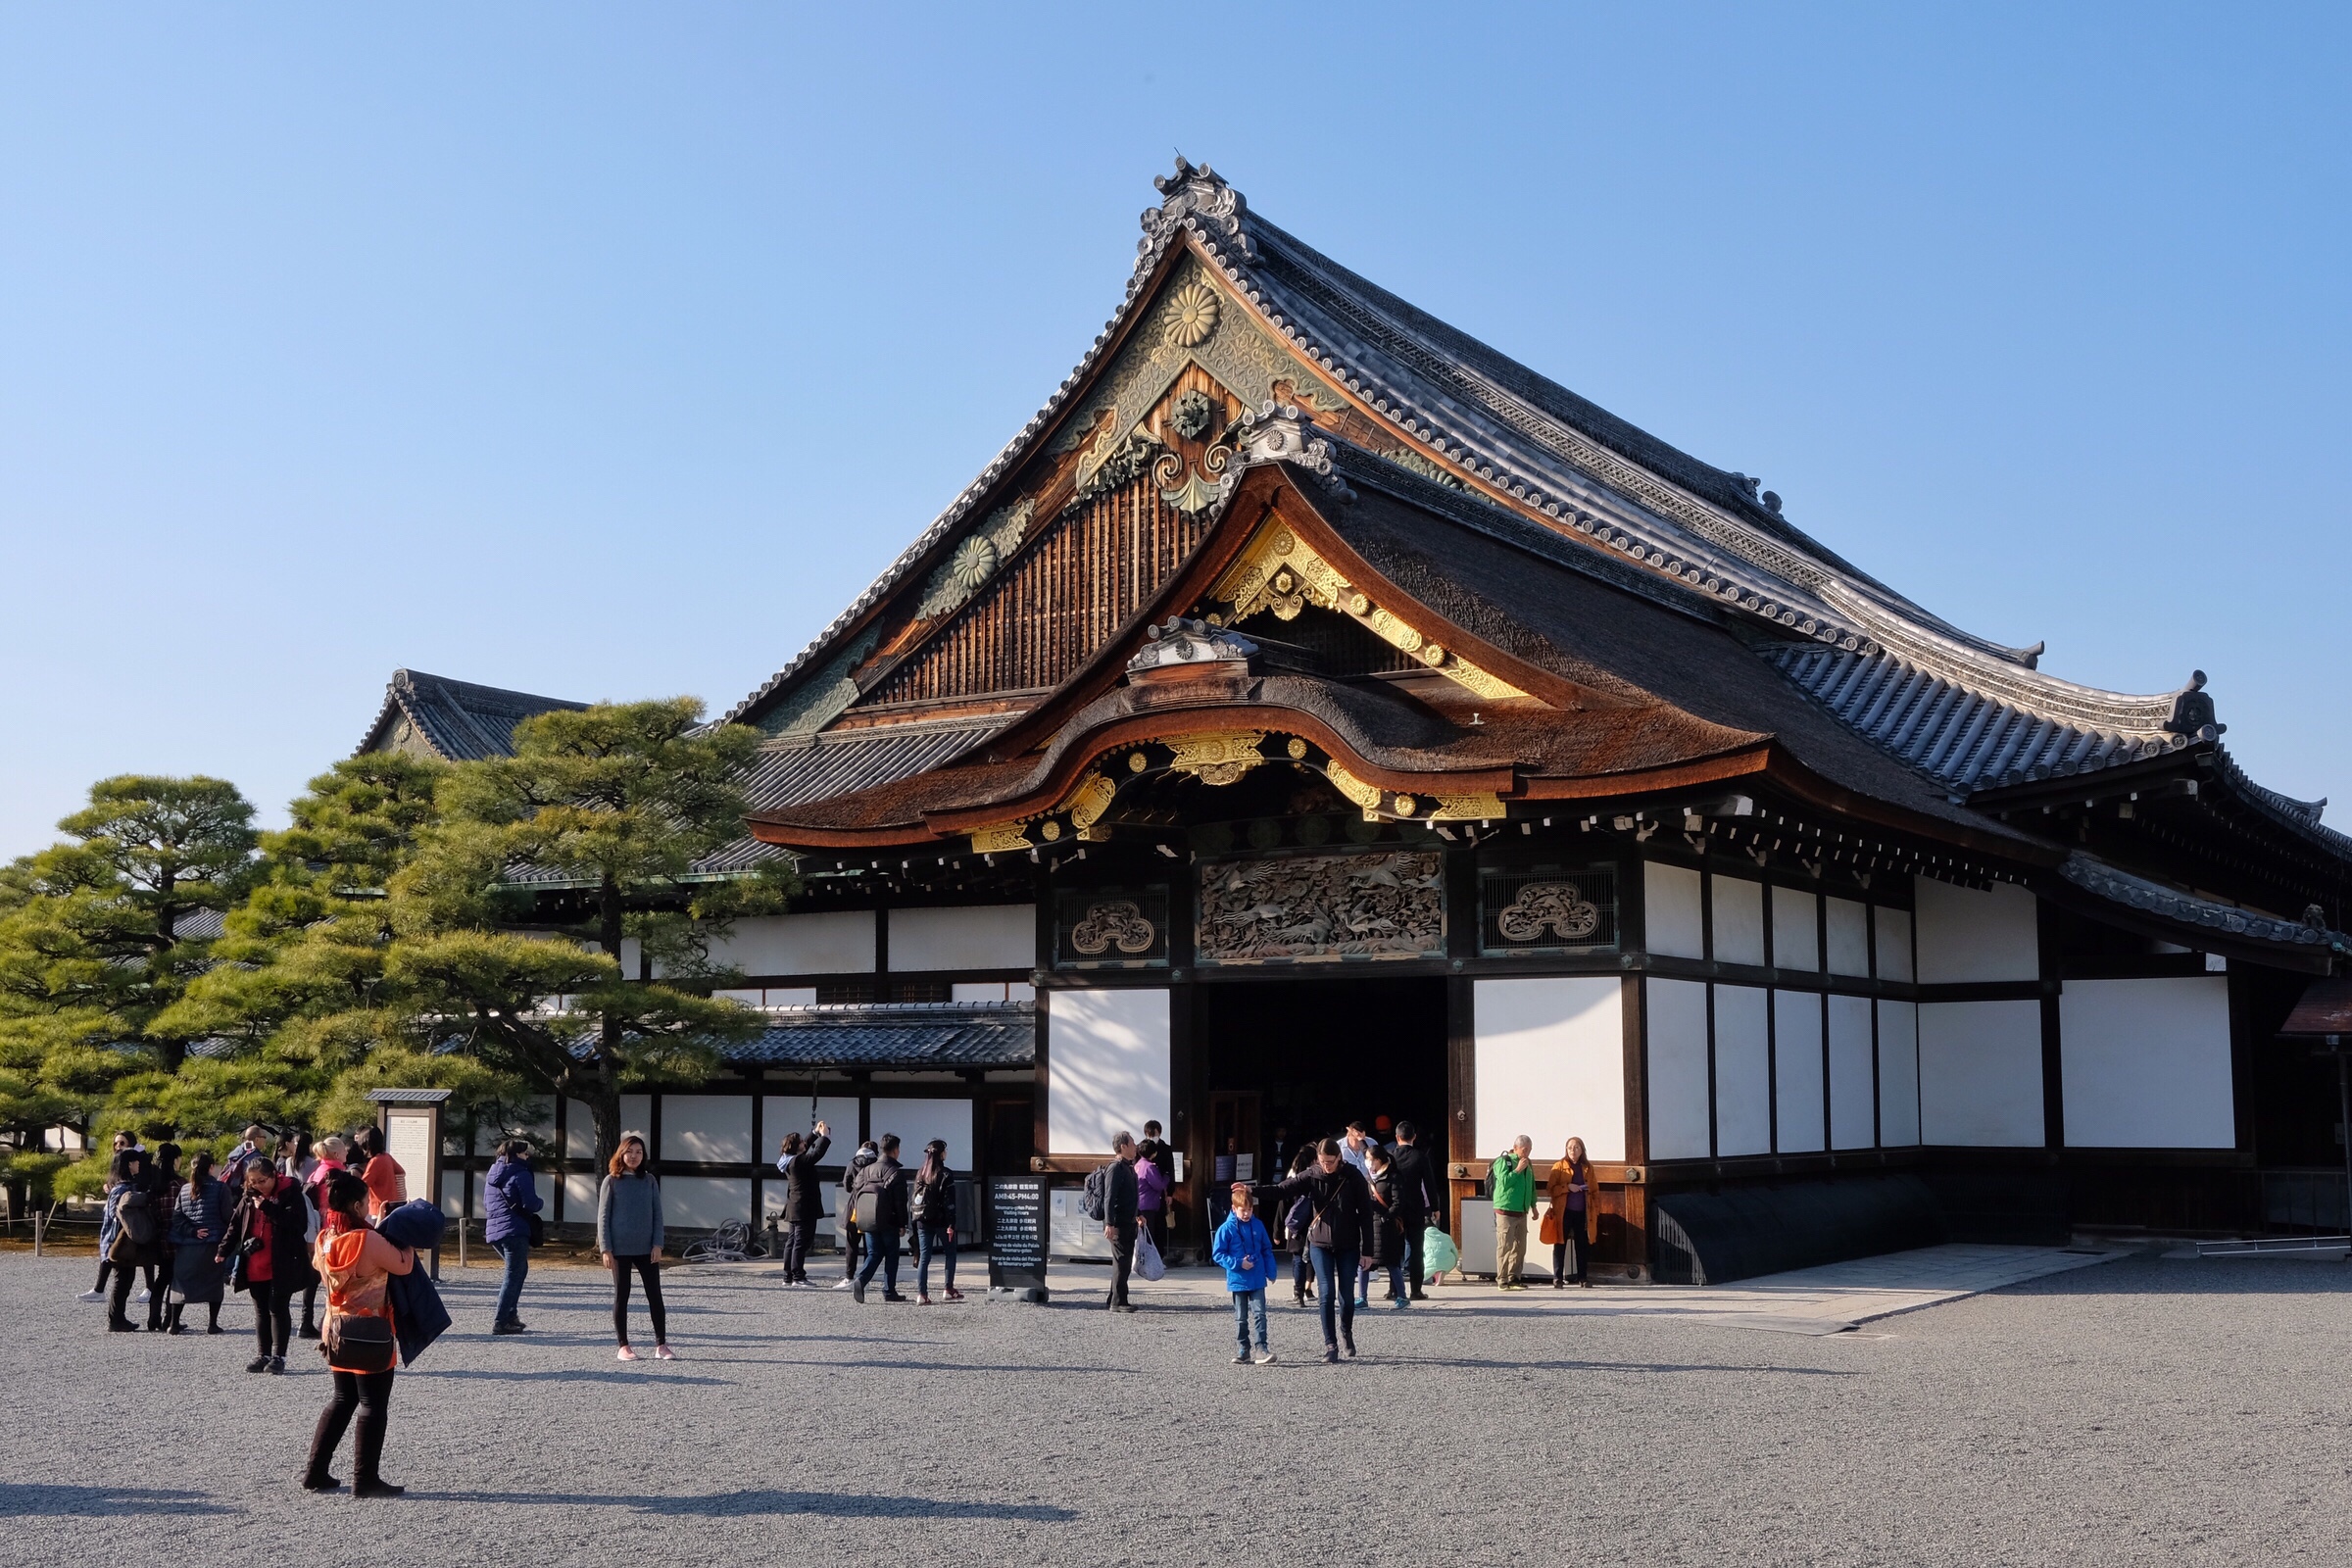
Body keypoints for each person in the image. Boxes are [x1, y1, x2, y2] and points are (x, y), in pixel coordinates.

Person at [304, 1168, 416, 1497]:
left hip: (336, 1329)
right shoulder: (367, 1239)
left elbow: (322, 1269)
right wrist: (400, 1234)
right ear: (356, 1205)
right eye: (366, 1201)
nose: (370, 1206)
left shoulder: (326, 1238)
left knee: (342, 1398)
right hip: (370, 1328)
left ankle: (315, 1470)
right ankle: (365, 1478)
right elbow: (403, 1264)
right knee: (372, 1403)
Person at [1269, 1137, 1378, 1362]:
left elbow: (1366, 1215)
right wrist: (1251, 1192)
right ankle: (1331, 1345)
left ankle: (1346, 1331)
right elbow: (1282, 1190)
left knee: (1346, 1296)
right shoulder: (1312, 1174)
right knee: (1326, 1293)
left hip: (1348, 1244)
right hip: (1320, 1243)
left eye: (1330, 1161)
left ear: (1339, 1157)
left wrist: (1368, 1250)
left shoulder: (1353, 1177)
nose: (1326, 1166)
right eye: (1322, 1161)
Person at [220, 1154, 312, 1372]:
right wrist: (223, 1250)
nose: (258, 1186)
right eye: (253, 1182)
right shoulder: (248, 1197)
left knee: (278, 1308)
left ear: (274, 1176)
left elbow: (298, 1225)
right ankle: (263, 1354)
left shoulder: (291, 1193)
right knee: (261, 1309)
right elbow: (235, 1225)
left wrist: (268, 1208)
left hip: (283, 1260)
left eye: (262, 1181)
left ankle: (279, 1356)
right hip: (255, 1261)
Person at [597, 1132, 673, 1361]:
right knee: (622, 1295)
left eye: (638, 1152)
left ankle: (661, 1344)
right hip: (619, 1249)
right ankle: (624, 1346)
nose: (634, 1156)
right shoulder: (611, 1181)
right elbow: (603, 1216)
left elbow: (657, 1214)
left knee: (655, 1296)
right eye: (629, 1151)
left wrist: (658, 1243)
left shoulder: (649, 1180)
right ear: (621, 1154)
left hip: (646, 1248)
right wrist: (605, 1249)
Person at [1212, 1182, 1279, 1364]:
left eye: (1249, 1210)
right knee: (1241, 1317)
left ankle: (1261, 1348)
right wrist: (1238, 1263)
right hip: (1238, 1279)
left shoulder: (1258, 1225)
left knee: (1260, 1314)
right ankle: (1243, 1348)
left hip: (1257, 1278)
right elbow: (1218, 1254)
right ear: (1234, 1209)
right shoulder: (1226, 1229)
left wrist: (1271, 1271)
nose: (1247, 1214)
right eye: (1243, 1210)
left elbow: (1266, 1249)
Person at [482, 1138, 543, 1334]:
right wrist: (540, 1203)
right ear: (517, 1154)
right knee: (513, 1274)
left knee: (519, 1270)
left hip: (495, 1230)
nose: (528, 1157)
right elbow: (531, 1203)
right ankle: (502, 1320)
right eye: (525, 1153)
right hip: (514, 1230)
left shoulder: (493, 1174)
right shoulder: (521, 1173)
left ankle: (511, 1315)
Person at [166, 1150, 228, 1335]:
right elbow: (226, 1215)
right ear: (211, 1167)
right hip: (212, 1242)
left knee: (181, 1282)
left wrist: (192, 1231)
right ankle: (212, 1324)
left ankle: (174, 1323)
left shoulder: (185, 1189)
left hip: (187, 1245)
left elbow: (177, 1217)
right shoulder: (220, 1188)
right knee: (214, 1282)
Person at [102, 1148, 160, 1333]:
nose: (138, 1165)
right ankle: (116, 1319)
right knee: (122, 1281)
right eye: (135, 1162)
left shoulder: (121, 1186)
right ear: (129, 1164)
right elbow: (114, 1213)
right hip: (119, 1241)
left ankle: (118, 1317)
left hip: (118, 1241)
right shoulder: (123, 1188)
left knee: (124, 1280)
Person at [297, 1136, 350, 1339]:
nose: (346, 1153)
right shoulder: (336, 1173)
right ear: (336, 1154)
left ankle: (305, 1320)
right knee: (335, 1277)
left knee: (314, 1276)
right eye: (344, 1150)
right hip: (332, 1229)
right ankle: (333, 1321)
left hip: (315, 1229)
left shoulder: (317, 1171)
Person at [850, 1134, 910, 1304]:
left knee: (874, 1254)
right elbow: (900, 1201)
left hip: (868, 1219)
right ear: (896, 1150)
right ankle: (889, 1291)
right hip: (889, 1221)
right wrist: (902, 1223)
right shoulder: (896, 1172)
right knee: (892, 1255)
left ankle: (861, 1280)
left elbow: (855, 1190)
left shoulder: (866, 1170)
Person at [80, 1131, 136, 1302]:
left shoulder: (135, 1163)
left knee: (124, 1273)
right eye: (116, 1143)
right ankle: (103, 1294)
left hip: (123, 1229)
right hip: (117, 1230)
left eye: (122, 1143)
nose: (118, 1146)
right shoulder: (121, 1176)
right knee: (122, 1274)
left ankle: (147, 1289)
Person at [773, 1120, 831, 1287]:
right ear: (795, 1146)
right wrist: (825, 1136)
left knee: (792, 1241)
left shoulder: (788, 1160)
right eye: (800, 1142)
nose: (803, 1143)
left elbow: (805, 1145)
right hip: (804, 1207)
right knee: (801, 1242)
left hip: (794, 1206)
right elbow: (817, 1153)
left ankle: (788, 1276)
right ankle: (798, 1276)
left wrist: (814, 1132)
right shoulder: (798, 1162)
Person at [1388, 1119, 1438, 1301]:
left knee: (1394, 1249)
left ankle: (1393, 1290)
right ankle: (1416, 1290)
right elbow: (1430, 1184)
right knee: (1416, 1250)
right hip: (1415, 1208)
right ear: (1414, 1137)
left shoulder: (1390, 1156)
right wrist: (1435, 1207)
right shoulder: (1420, 1157)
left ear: (1397, 1137)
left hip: (1395, 1209)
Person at [908, 1138, 960, 1304]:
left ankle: (922, 1294)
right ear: (941, 1154)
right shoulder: (945, 1174)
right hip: (941, 1221)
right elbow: (949, 1202)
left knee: (925, 1257)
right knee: (950, 1253)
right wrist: (951, 1223)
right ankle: (948, 1289)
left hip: (922, 1220)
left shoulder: (920, 1173)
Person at [1545, 1136, 1593, 1289]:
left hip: (1582, 1211)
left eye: (1576, 1147)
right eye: (1570, 1147)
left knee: (1582, 1245)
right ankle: (1557, 1278)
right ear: (1566, 1150)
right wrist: (1568, 1187)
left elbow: (1595, 1190)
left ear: (1582, 1150)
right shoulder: (1559, 1166)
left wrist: (1595, 1210)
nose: (1573, 1150)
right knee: (1560, 1244)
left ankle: (1582, 1278)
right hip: (1563, 1211)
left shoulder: (1587, 1167)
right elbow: (1551, 1189)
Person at [1365, 1144, 1408, 1309]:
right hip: (1371, 1224)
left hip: (1386, 1225)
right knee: (1364, 1263)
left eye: (1370, 1159)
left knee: (1391, 1262)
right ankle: (1362, 1297)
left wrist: (1387, 1216)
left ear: (1379, 1160)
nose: (1368, 1162)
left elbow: (1398, 1202)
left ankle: (1402, 1295)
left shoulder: (1393, 1176)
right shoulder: (1370, 1177)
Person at [145, 1143, 183, 1330]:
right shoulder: (180, 1185)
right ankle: (170, 1319)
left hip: (158, 1237)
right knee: (175, 1279)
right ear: (175, 1160)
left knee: (161, 1278)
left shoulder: (153, 1185)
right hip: (177, 1238)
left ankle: (153, 1318)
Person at [1490, 1135, 1535, 1291]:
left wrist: (1533, 1206)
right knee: (1505, 1245)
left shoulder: (1529, 1164)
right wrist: (1517, 1169)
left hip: (1522, 1210)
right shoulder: (1504, 1161)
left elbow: (1531, 1186)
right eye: (1524, 1149)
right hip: (1506, 1210)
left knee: (1520, 1246)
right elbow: (1505, 1182)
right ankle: (1501, 1280)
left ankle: (1514, 1278)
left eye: (1529, 1149)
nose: (1527, 1153)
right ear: (1516, 1148)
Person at [832, 1140, 877, 1291]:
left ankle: (849, 1277)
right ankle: (865, 1279)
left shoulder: (852, 1163)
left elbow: (846, 1185)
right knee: (869, 1245)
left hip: (855, 1206)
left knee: (852, 1244)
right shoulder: (876, 1164)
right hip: (872, 1206)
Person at [1282, 1143, 1318, 1307]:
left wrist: (1277, 1230)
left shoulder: (1293, 1178)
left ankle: (1298, 1293)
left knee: (1298, 1259)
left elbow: (1283, 1204)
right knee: (1313, 1258)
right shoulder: (1316, 1178)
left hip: (1296, 1225)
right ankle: (1308, 1288)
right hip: (1315, 1222)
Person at [1137, 1119, 1176, 1256]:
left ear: (1159, 1133)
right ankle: (1150, 1257)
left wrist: (1170, 1192)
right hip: (1149, 1194)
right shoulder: (1141, 1149)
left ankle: (1159, 1255)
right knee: (1149, 1229)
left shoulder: (1165, 1149)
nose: (1152, 1137)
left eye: (1154, 1134)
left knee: (1159, 1226)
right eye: (1149, 1134)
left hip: (1160, 1194)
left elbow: (1171, 1170)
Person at [354, 1126, 406, 1220]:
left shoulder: (375, 1161)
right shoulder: (386, 1156)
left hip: (377, 1208)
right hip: (391, 1205)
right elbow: (401, 1171)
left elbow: (363, 1185)